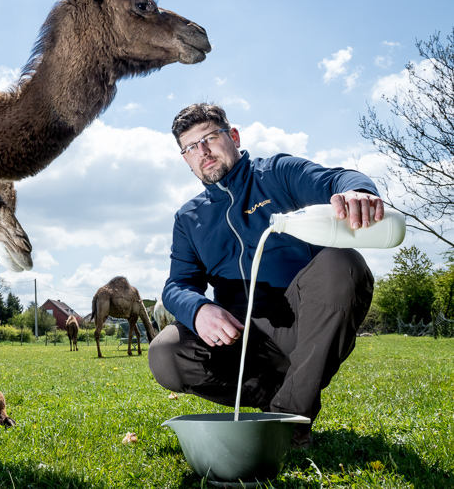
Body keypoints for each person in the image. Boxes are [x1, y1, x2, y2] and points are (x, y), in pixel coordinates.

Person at [149, 103, 380, 448]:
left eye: (210, 138)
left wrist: (359, 191)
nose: (204, 152)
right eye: (191, 147)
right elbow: (178, 285)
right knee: (166, 352)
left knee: (342, 262)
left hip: (304, 321)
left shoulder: (277, 173)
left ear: (234, 137)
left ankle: (288, 419)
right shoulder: (188, 218)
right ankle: (283, 394)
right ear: (184, 158)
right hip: (242, 336)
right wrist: (199, 310)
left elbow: (337, 179)